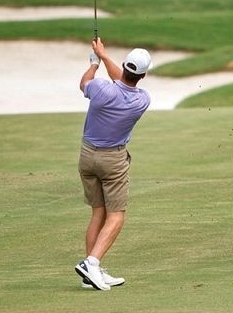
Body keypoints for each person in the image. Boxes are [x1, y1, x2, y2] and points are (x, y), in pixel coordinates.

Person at [75, 37, 152, 291]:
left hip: (87, 156)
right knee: (116, 216)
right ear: (144, 75)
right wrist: (104, 57)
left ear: (123, 65)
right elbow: (125, 81)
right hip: (113, 161)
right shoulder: (142, 100)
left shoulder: (100, 89)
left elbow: (84, 83)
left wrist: (95, 62)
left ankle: (90, 270)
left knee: (99, 212)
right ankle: (92, 264)